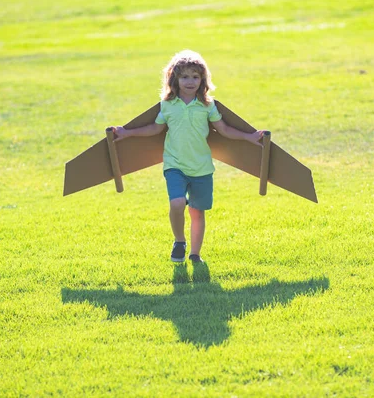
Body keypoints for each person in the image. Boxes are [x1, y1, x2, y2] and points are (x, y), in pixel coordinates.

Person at [112, 50, 265, 263]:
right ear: (174, 78)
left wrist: (249, 137)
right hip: (175, 165)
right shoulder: (167, 105)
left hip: (201, 168)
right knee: (176, 203)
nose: (190, 81)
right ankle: (179, 241)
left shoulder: (207, 105)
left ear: (203, 79)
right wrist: (127, 133)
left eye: (195, 76)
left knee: (197, 213)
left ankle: (195, 254)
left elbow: (225, 130)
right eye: (184, 76)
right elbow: (154, 129)